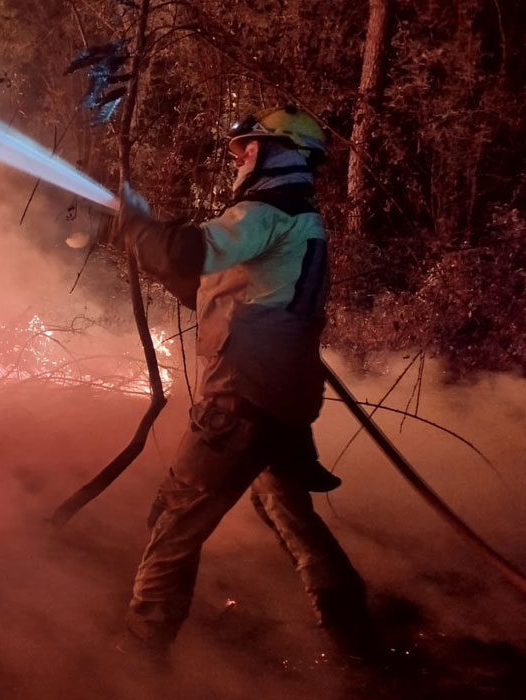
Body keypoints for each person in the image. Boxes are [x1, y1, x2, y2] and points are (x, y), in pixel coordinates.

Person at [114, 106, 372, 662]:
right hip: (281, 401)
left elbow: (187, 252)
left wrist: (139, 226)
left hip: (242, 400)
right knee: (287, 511)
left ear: (278, 153)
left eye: (252, 147)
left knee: (175, 516)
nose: (244, 158)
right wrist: (150, 247)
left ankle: (139, 658)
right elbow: (216, 292)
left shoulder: (264, 213)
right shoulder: (301, 220)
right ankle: (354, 631)